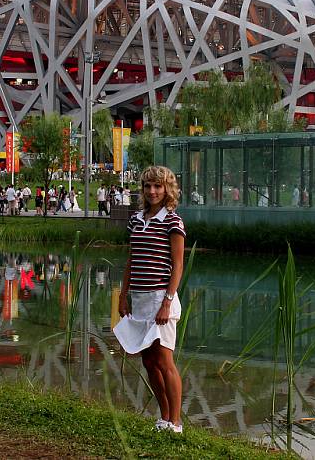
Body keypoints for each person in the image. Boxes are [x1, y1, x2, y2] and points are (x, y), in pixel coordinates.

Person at [114, 166, 186, 434]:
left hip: (160, 298)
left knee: (164, 360)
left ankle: (176, 422)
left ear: (168, 189)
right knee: (148, 362)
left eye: (158, 186)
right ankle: (164, 417)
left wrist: (167, 301)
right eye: (148, 186)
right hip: (140, 299)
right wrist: (123, 296)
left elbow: (177, 266)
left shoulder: (173, 222)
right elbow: (131, 260)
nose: (152, 191)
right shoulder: (136, 220)